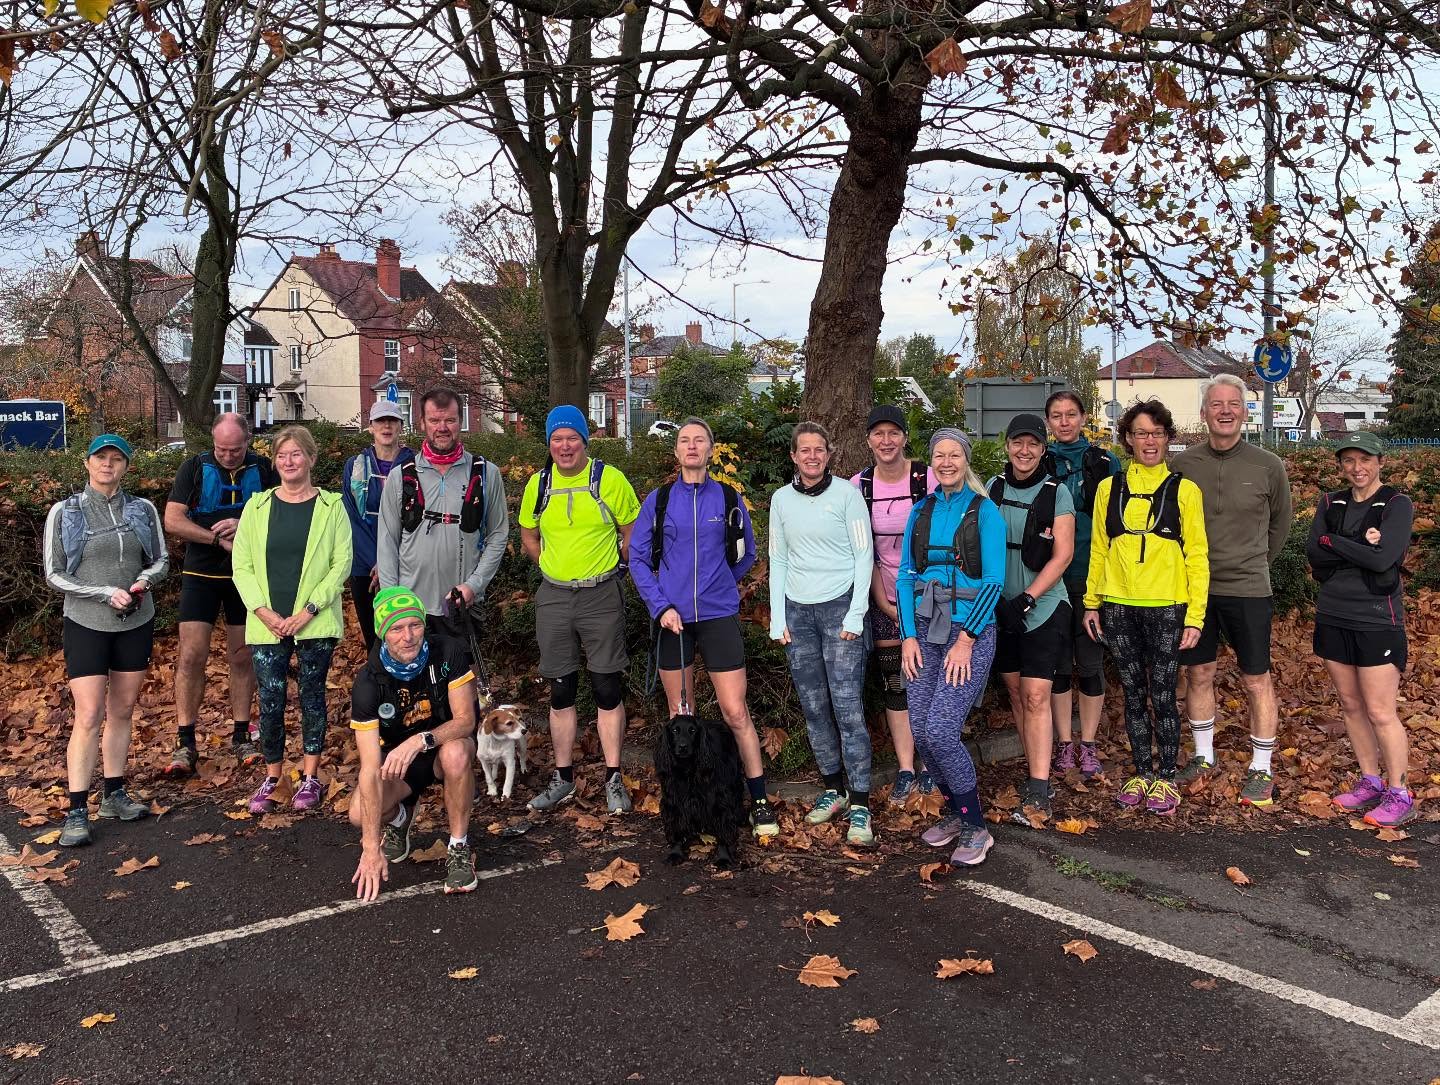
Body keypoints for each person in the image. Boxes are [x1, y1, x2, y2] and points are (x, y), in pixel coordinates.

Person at [629, 417, 777, 838]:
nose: (692, 446)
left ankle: (759, 800)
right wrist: (660, 606)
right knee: (681, 716)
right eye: (684, 441)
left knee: (735, 712)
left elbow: (747, 553)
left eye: (699, 441)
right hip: (672, 620)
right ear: (676, 451)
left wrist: (722, 585)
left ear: (711, 450)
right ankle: (686, 805)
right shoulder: (658, 501)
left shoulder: (728, 498)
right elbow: (637, 558)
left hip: (718, 617)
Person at [1172, 373, 1293, 804]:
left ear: (1245, 412)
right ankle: (1203, 756)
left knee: (1256, 678)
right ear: (1204, 412)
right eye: (1216, 404)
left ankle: (1261, 767)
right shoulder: (1183, 465)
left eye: (1233, 404)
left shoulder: (1268, 465)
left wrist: (1255, 562)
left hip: (1249, 588)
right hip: (1196, 591)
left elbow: (1281, 524)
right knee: (1198, 673)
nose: (1225, 411)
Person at [1083, 400, 1209, 815]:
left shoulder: (1185, 490)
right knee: (1133, 693)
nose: (1149, 441)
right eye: (1141, 433)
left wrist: (1195, 616)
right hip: (1119, 605)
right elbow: (1099, 549)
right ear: (1128, 439)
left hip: (1167, 606)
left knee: (1164, 693)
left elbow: (1198, 557)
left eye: (1156, 433)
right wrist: (1091, 603)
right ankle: (1141, 771)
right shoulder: (1109, 488)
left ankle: (1167, 776)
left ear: (1168, 438)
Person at [44, 435, 169, 848]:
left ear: (126, 467)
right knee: (89, 713)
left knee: (123, 709)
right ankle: (77, 809)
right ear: (87, 463)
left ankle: (113, 794)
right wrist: (103, 592)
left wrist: (144, 580)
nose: (108, 465)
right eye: (101, 457)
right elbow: (54, 573)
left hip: (136, 620)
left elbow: (161, 560)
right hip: (86, 622)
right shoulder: (66, 511)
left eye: (117, 459)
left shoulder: (142, 509)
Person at [519, 405, 641, 815]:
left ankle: (613, 776)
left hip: (601, 595)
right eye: (557, 439)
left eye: (572, 438)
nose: (565, 446)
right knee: (560, 690)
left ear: (585, 441)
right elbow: (528, 534)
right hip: (554, 597)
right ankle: (563, 777)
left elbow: (632, 531)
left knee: (607, 687)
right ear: (549, 443)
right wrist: (547, 566)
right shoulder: (538, 484)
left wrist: (620, 566)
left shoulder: (610, 479)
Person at [897, 428, 1005, 865]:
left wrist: (966, 640)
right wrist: (907, 635)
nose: (946, 463)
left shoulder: (985, 512)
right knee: (921, 731)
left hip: (969, 633)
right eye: (939, 455)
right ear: (930, 462)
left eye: (954, 455)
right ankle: (957, 813)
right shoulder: (920, 510)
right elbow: (905, 575)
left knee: (942, 730)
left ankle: (976, 826)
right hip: (924, 629)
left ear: (965, 460)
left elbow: (994, 582)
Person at [231, 426, 352, 814]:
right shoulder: (257, 507)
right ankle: (272, 777)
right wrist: (263, 611)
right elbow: (242, 565)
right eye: (282, 455)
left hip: (314, 621)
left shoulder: (332, 507)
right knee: (270, 701)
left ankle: (310, 776)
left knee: (312, 697)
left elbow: (340, 564)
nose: (288, 461)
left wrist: (307, 612)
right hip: (266, 623)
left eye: (296, 454)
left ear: (311, 459)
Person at [769, 421, 876, 846]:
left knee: (848, 709)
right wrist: (778, 617)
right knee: (814, 708)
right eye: (804, 450)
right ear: (793, 456)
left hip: (840, 609)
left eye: (819, 450)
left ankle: (861, 803)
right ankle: (834, 789)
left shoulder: (847, 496)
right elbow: (778, 559)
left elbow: (864, 555)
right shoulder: (781, 500)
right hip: (798, 614)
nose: (812, 457)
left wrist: (856, 614)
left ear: (829, 454)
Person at [1307, 432, 1418, 828]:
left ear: (1380, 462)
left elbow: (1383, 560)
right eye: (1349, 460)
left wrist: (1335, 541)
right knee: (1351, 705)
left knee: (1380, 710)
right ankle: (1370, 781)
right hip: (1333, 614)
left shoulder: (1396, 503)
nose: (1357, 468)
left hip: (1376, 619)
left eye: (1365, 459)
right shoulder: (1330, 502)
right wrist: (1358, 546)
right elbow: (1315, 554)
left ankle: (1400, 792)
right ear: (1341, 464)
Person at [162, 413, 277, 774]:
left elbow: (283, 513)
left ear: (248, 441)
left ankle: (242, 735)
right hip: (201, 573)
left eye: (235, 450)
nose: (228, 456)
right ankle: (185, 741)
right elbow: (172, 520)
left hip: (247, 577)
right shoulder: (193, 467)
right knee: (191, 655)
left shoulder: (264, 469)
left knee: (242, 657)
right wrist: (214, 539)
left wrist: (245, 527)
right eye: (221, 449)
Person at [349, 588, 480, 898]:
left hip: (442, 744)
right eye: (396, 628)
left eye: (415, 625)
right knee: (358, 814)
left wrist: (421, 740)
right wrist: (370, 847)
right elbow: (369, 769)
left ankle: (458, 848)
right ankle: (401, 817)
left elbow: (465, 721)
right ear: (382, 632)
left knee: (457, 753)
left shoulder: (447, 650)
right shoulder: (367, 683)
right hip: (398, 760)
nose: (408, 636)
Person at [987, 413, 1075, 825]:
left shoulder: (1057, 493)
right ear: (1007, 446)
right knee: (1016, 692)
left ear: (1043, 449)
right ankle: (1033, 769)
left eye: (1033, 444)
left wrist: (1027, 597)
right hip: (999, 608)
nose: (1025, 451)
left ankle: (1040, 789)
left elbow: (1063, 555)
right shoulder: (993, 488)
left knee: (1037, 695)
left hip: (1043, 606)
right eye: (1017, 443)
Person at [850, 404, 937, 805]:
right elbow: (860, 551)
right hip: (884, 596)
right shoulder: (859, 486)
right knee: (895, 683)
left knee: (930, 680)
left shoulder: (927, 478)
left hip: (931, 598)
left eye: (893, 433)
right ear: (869, 440)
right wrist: (883, 602)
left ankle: (931, 763)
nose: (886, 441)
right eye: (878, 434)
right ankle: (905, 768)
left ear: (904, 437)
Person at [377, 387, 508, 649]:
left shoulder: (486, 473)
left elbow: (498, 535)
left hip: (463, 604)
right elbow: (387, 541)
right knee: (414, 675)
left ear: (461, 420)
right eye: (434, 420)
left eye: (450, 420)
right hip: (411, 607)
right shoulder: (400, 476)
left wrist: (474, 585)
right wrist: (392, 600)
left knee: (463, 674)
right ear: (422, 423)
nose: (442, 428)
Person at [1043, 390, 1121, 777]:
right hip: (1051, 581)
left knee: (1090, 665)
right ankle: (1064, 743)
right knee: (1058, 666)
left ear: (1084, 417)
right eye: (1057, 415)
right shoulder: (1041, 461)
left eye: (1071, 414)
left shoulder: (1105, 462)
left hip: (1093, 580)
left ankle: (1088, 744)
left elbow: (1118, 523)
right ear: (1048, 422)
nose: (1064, 422)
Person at [342, 401, 415, 650]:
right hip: (365, 568)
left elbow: (418, 520)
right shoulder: (355, 466)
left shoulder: (416, 465)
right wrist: (378, 562)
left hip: (406, 565)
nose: (386, 426)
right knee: (375, 640)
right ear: (371, 426)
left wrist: (389, 563)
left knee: (407, 638)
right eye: (380, 421)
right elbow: (353, 518)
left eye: (392, 420)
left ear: (401, 426)